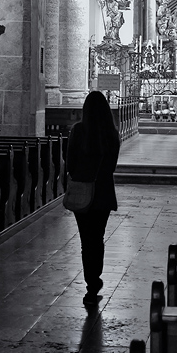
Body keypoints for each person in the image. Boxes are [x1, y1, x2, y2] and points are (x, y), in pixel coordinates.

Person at [66, 91, 121, 306]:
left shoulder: (79, 131)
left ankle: (91, 283)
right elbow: (112, 166)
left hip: (83, 191)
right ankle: (94, 281)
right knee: (97, 238)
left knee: (85, 240)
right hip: (104, 192)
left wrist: (81, 173)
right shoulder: (112, 133)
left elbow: (69, 163)